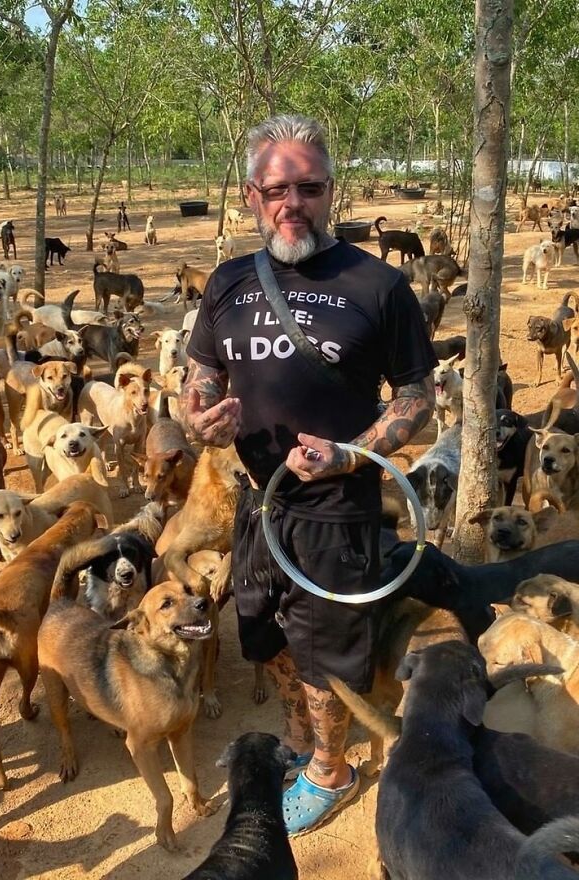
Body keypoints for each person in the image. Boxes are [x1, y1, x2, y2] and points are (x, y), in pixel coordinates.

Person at [182, 114, 436, 835]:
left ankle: (332, 770)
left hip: (335, 513)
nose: (292, 203)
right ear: (249, 196)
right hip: (257, 505)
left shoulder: (378, 284)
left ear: (330, 192)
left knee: (328, 656)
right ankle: (300, 744)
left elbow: (416, 394)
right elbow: (198, 375)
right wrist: (199, 417)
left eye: (309, 187)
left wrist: (351, 454)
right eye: (276, 189)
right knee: (269, 641)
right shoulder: (228, 282)